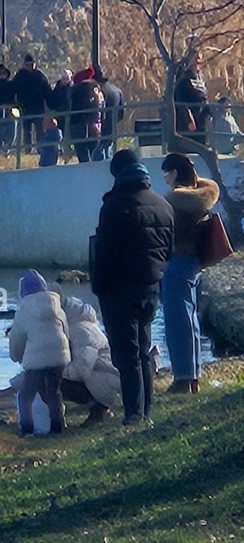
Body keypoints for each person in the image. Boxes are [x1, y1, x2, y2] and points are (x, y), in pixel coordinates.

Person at [91, 149, 174, 426]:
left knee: (126, 356)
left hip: (119, 290)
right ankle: (146, 411)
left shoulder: (115, 205)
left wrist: (100, 287)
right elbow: (168, 251)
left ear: (118, 174)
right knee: (144, 349)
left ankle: (133, 414)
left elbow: (105, 254)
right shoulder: (163, 205)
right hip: (151, 287)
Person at [160, 153, 220, 394]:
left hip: (176, 262)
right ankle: (193, 375)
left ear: (174, 173)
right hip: (194, 262)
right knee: (191, 320)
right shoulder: (203, 198)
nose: (164, 177)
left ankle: (182, 378)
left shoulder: (175, 202)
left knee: (176, 321)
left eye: (167, 172)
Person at [9, 269, 70, 436]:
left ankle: (26, 428)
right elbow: (66, 331)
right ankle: (57, 428)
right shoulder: (57, 306)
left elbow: (17, 339)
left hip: (37, 361)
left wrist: (16, 357)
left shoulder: (23, 311)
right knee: (53, 391)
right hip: (60, 357)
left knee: (26, 395)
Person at [61, 297, 121, 427]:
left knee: (58, 384)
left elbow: (83, 367)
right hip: (111, 376)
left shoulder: (79, 331)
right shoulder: (84, 325)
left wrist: (59, 373)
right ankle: (100, 409)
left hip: (109, 381)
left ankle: (101, 407)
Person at [11, 53, 51, 153]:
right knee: (27, 130)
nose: (30, 67)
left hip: (38, 107)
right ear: (24, 65)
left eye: (32, 64)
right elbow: (12, 90)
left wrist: (49, 106)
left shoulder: (40, 76)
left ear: (35, 64)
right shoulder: (20, 76)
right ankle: (27, 150)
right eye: (27, 65)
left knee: (40, 130)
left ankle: (40, 149)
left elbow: (47, 92)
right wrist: (14, 104)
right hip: (25, 108)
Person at [174, 52, 210, 146]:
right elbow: (180, 101)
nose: (198, 61)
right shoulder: (183, 79)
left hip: (201, 118)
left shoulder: (199, 78)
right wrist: (189, 119)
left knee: (201, 144)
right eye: (196, 59)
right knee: (191, 143)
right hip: (190, 121)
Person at [93, 67, 124, 161]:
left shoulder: (97, 92)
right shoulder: (117, 91)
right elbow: (121, 114)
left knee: (97, 156)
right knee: (108, 154)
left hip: (99, 129)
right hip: (112, 128)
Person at [69, 79, 104, 163]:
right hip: (95, 128)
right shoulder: (99, 99)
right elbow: (103, 115)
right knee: (95, 152)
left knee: (83, 154)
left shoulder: (76, 93)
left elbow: (72, 113)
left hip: (80, 127)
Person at [48, 69, 72, 136]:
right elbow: (52, 101)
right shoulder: (56, 89)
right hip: (58, 115)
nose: (66, 81)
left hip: (70, 115)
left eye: (67, 79)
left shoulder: (72, 89)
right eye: (64, 78)